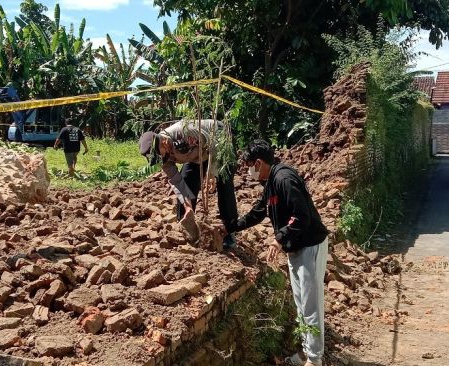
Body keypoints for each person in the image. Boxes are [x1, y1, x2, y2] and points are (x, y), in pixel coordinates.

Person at [230, 139, 329, 366]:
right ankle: (306, 351)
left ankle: (315, 359)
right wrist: (232, 226)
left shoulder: (284, 179)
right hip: (295, 248)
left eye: (249, 166)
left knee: (311, 304)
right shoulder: (271, 183)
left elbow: (301, 216)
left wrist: (278, 239)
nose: (249, 172)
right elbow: (258, 212)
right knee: (301, 303)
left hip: (309, 245)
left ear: (258, 162)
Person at [138, 119, 238, 250]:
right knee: (186, 180)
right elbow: (177, 181)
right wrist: (188, 206)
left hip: (218, 141)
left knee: (224, 184)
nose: (161, 160)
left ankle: (229, 232)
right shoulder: (163, 157)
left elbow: (214, 144)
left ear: (163, 142)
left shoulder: (183, 132)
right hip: (196, 154)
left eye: (159, 155)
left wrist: (212, 173)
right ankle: (186, 227)